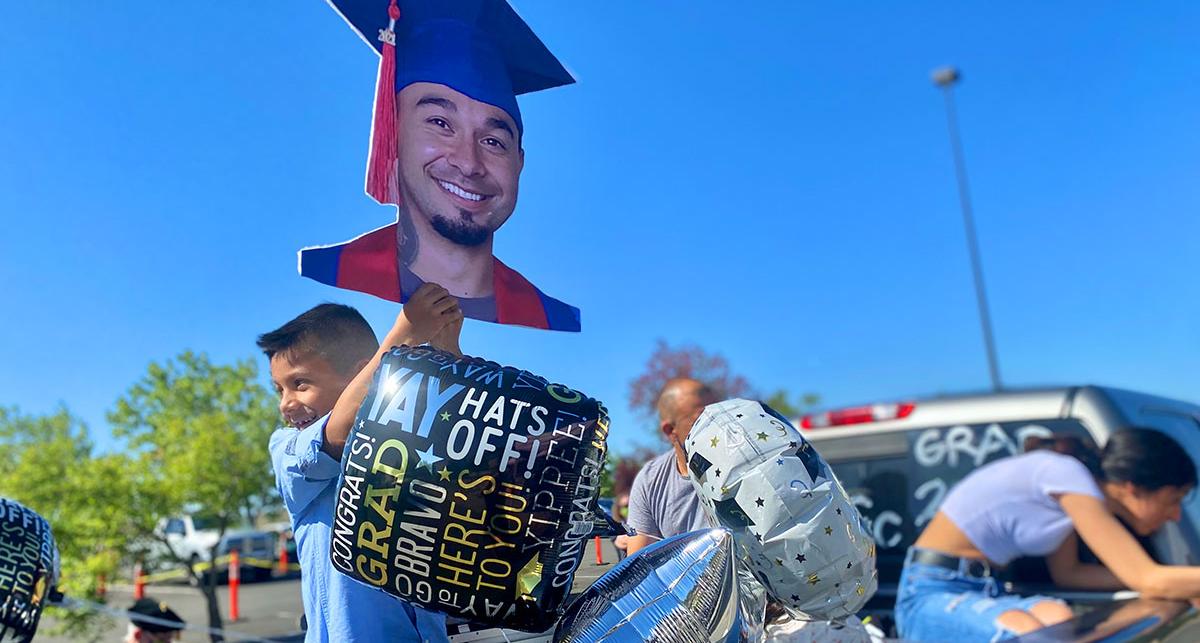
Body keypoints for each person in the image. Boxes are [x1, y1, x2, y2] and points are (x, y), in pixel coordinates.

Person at [299, 0, 580, 332]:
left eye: (493, 142)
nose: (469, 163)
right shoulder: (330, 274)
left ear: (519, 163)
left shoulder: (548, 318)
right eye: (440, 123)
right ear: (393, 133)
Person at [260, 285, 462, 642]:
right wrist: (404, 335)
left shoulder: (411, 439)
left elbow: (469, 439)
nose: (285, 404)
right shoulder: (287, 448)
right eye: (280, 389)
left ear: (358, 375)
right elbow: (342, 431)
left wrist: (449, 353)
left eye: (300, 384)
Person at [896, 428, 1200, 641]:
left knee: (1058, 619)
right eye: (1174, 499)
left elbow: (1070, 575)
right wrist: (1164, 581)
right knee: (1030, 634)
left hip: (987, 590)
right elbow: (1145, 577)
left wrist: (1168, 583)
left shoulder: (1070, 492)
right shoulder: (1069, 478)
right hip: (930, 591)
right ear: (1134, 487)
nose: (1175, 515)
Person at [625, 378, 718, 555]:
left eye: (717, 418)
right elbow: (641, 565)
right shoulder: (650, 480)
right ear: (670, 430)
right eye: (700, 422)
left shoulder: (745, 462)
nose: (715, 430)